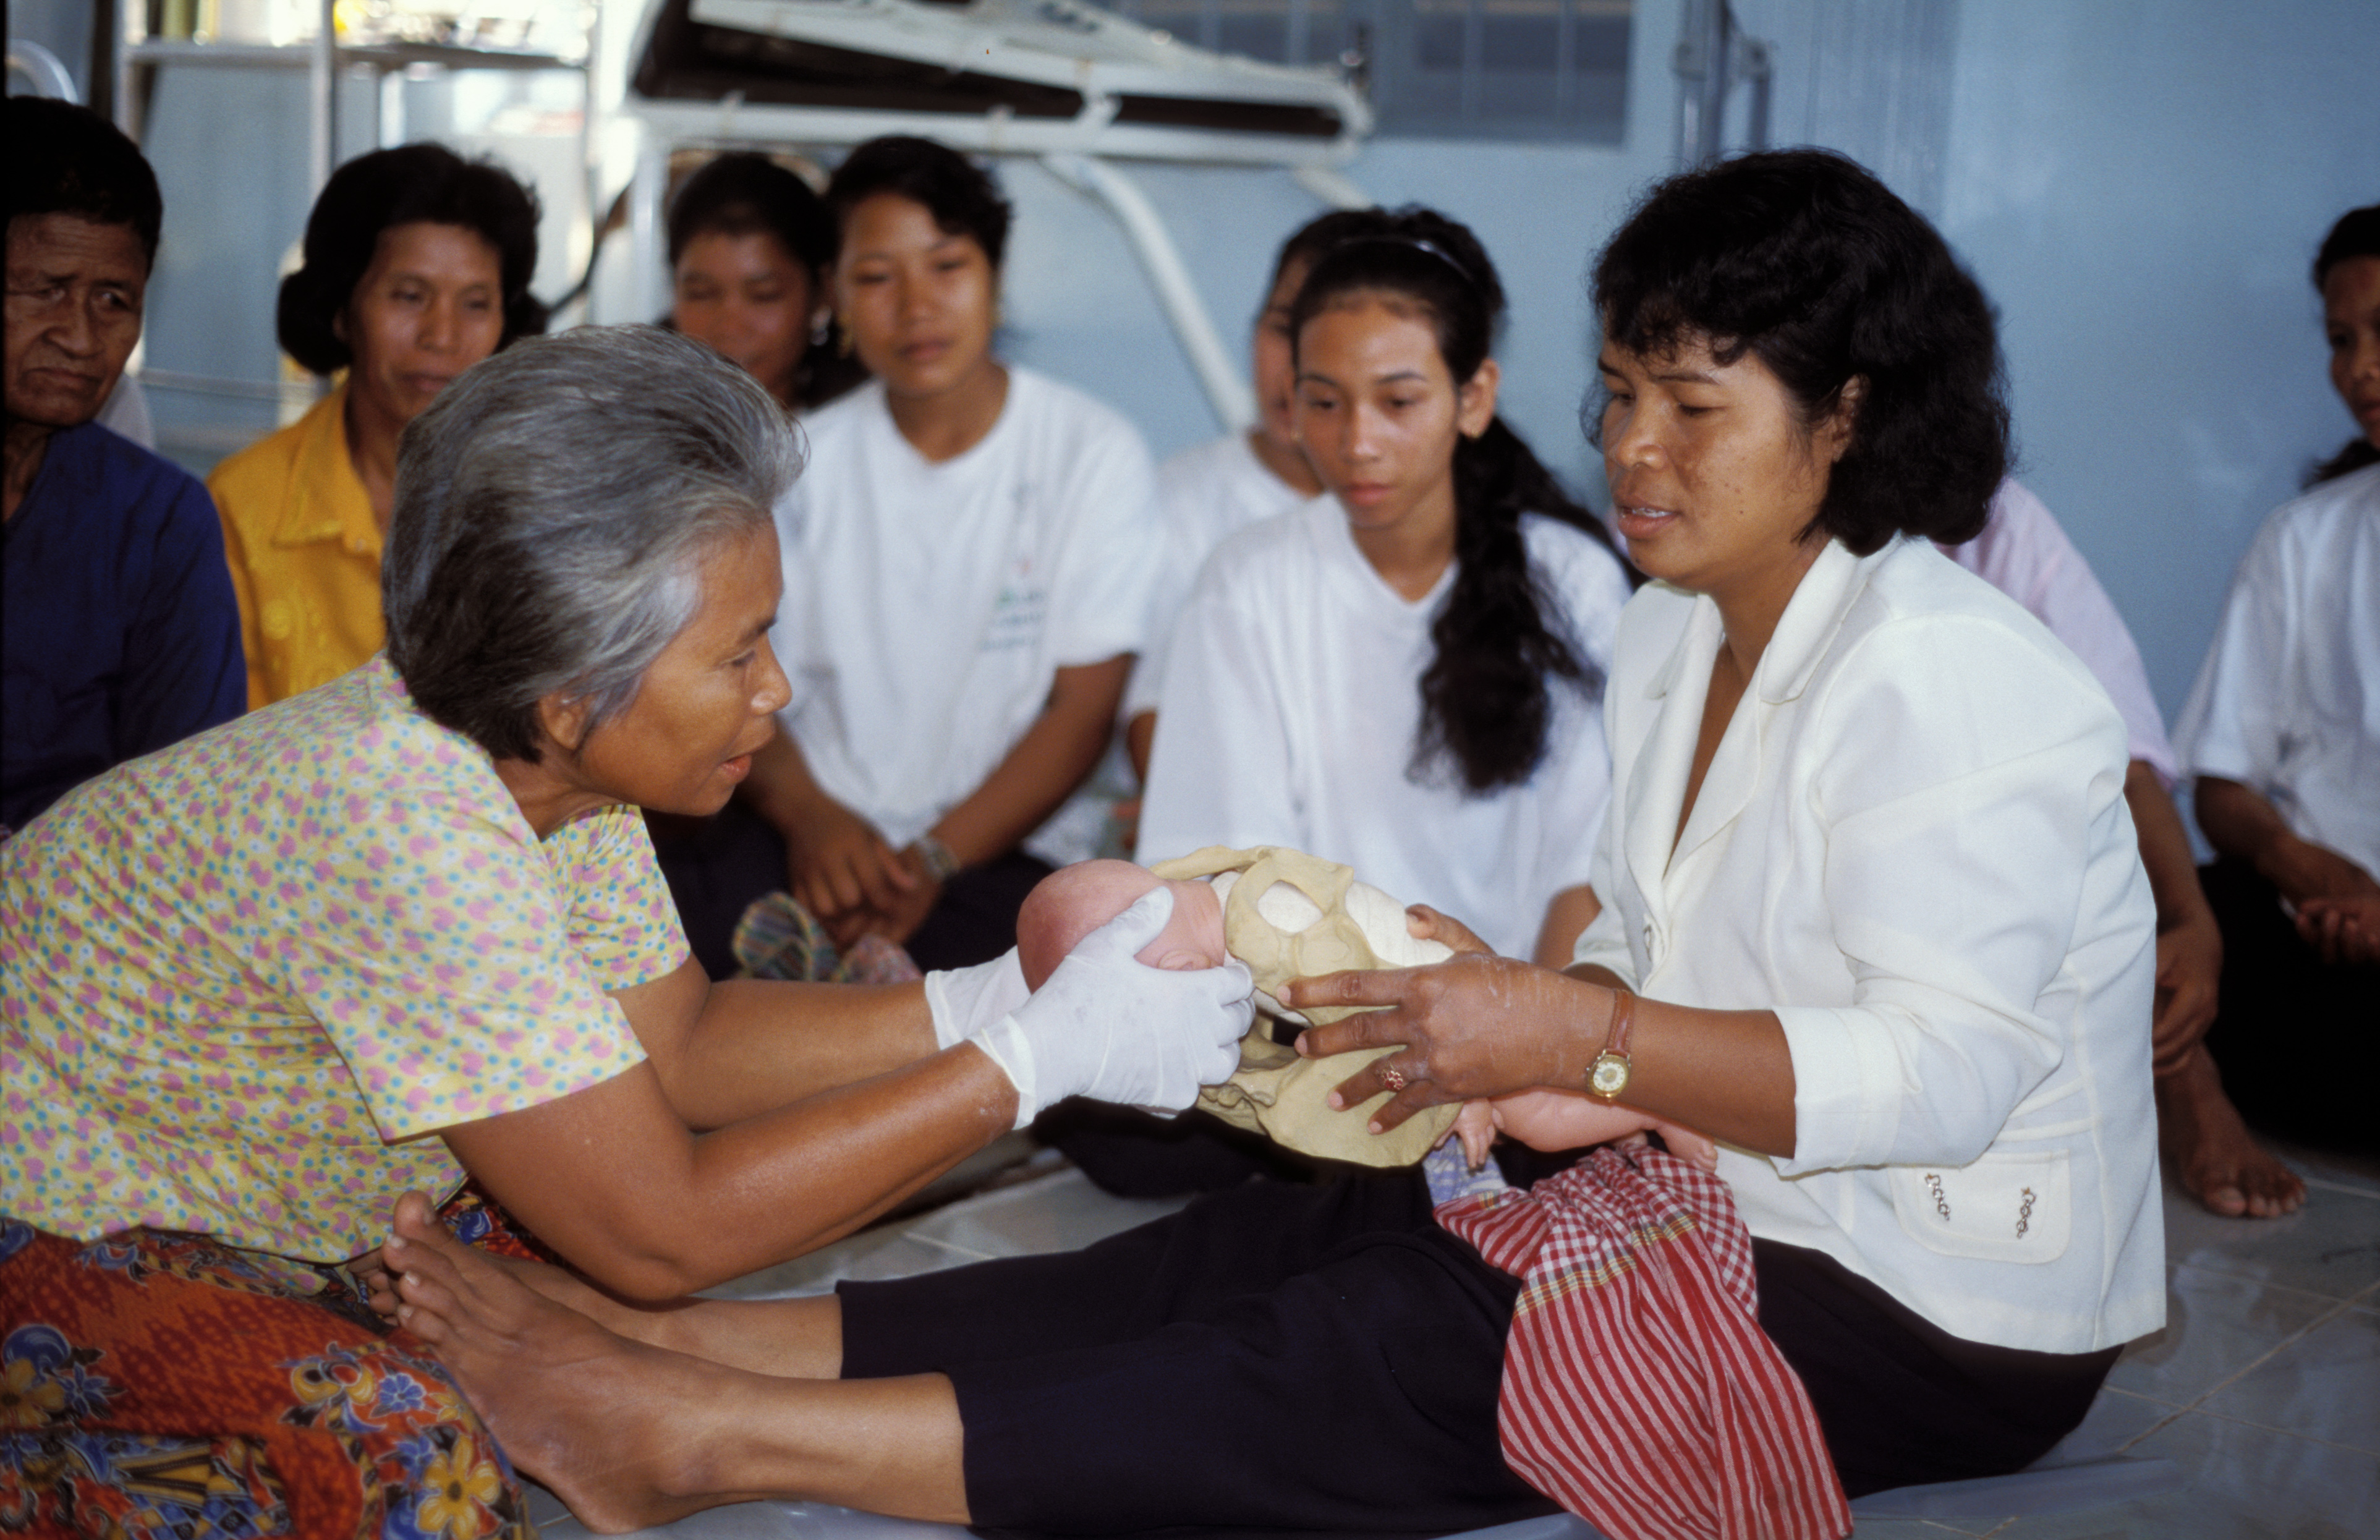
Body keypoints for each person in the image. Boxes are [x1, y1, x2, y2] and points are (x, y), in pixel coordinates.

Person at [374, 150, 2161, 1538]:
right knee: (1282, 1240)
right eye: (1618, 391)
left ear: (1844, 418)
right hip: (1718, 1177)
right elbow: (1650, 941)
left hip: (1935, 1297)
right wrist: (1527, 1009)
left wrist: (1576, 1036)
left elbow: (1940, 1076)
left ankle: (686, 1432)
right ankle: (678, 1347)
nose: (1629, 447)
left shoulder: (1951, 680)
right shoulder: (1681, 627)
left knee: (1398, 1342)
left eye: (1693, 409)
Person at [0, 326, 1251, 1537]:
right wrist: (1040, 1061)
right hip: (55, 1204)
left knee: (579, 1282)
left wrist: (987, 1000)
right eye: (739, 653)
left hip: (266, 1173)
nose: (776, 689)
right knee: (401, 1446)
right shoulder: (402, 822)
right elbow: (668, 1226)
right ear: (570, 687)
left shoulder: (548, 763)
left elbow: (687, 1042)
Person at [1138, 207, 1633, 969]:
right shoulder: (1247, 583)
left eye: (1398, 403)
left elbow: (1587, 867)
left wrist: (1530, 1039)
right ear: (1293, 405)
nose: (1358, 441)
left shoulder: (1572, 580)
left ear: (1473, 399)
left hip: (1526, 1019)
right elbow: (1227, 871)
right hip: (1309, 1019)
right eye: (1325, 402)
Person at [741, 136, 1163, 972]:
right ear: (837, 296)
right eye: (876, 276)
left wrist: (934, 856)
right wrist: (813, 822)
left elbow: (1081, 709)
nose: (916, 306)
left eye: (946, 265)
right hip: (817, 836)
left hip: (1006, 851)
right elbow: (737, 674)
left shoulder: (1089, 452)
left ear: (996, 278)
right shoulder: (795, 464)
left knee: (1022, 978)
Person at [1945, 479, 2298, 1217]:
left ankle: (2181, 1071)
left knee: (2072, 796)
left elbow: (2119, 752)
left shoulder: (1995, 518)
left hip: (1993, 883)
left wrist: (2188, 924)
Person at [2169, 203, 2379, 1165]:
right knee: (2137, 925)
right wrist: (2309, 871)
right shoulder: (2304, 537)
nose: (2359, 370)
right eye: (2342, 340)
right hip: (2310, 926)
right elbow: (2220, 786)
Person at [208, 143, 545, 708]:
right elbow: (225, 747)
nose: (441, 334)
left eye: (476, 304)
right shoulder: (242, 504)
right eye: (410, 296)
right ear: (341, 310)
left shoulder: (554, 500)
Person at [2, 96, 242, 833]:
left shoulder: (159, 523)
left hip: (74, 925)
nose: (79, 336)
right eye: (46, 291)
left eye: (113, 299)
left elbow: (186, 807)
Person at [1122, 208, 1399, 778]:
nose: (1298, 367)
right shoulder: (1185, 495)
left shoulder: (1425, 513)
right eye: (1282, 327)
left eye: (1335, 340)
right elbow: (1155, 718)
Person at [666, 150, 865, 413]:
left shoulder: (857, 437)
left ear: (821, 295)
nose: (730, 328)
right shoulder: (626, 438)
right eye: (701, 294)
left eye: (764, 295)